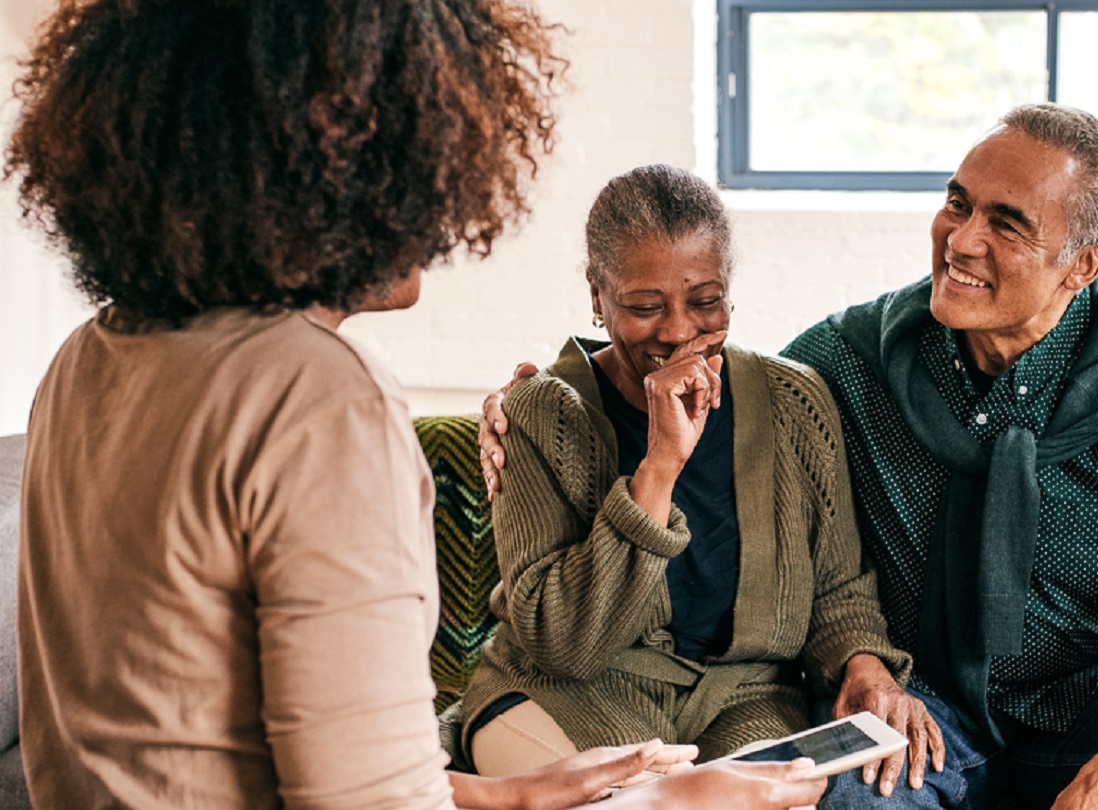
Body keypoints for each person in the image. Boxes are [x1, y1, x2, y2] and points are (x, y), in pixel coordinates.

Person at [5, 1, 825, 808]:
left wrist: (508, 797)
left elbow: (201, 735)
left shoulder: (86, 357)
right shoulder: (316, 395)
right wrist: (672, 804)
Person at [478, 104, 1098, 809]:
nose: (961, 239)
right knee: (834, 791)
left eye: (1006, 224)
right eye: (958, 203)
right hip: (924, 705)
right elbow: (717, 382)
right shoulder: (860, 356)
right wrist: (555, 392)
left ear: (1081, 266)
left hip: (1097, 699)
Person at [454, 164, 942, 795]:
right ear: (597, 295)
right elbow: (562, 645)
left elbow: (839, 591)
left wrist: (867, 666)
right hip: (567, 694)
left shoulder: (795, 401)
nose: (679, 330)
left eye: (705, 300)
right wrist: (660, 465)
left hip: (741, 699)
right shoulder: (540, 413)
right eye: (644, 307)